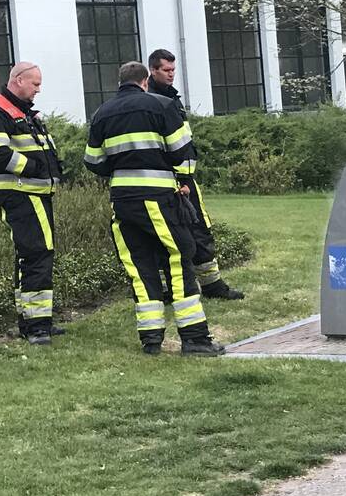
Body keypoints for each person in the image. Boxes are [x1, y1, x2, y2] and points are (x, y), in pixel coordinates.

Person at [84, 60, 225, 356]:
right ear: (145, 81)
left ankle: (151, 340)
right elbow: (180, 151)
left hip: (122, 202)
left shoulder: (101, 114)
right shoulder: (162, 106)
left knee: (140, 266)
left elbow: (93, 162)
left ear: (120, 82)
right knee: (178, 256)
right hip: (158, 198)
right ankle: (195, 338)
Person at [146, 48, 244, 300]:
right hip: (168, 182)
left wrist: (187, 177)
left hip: (187, 178)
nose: (171, 75)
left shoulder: (172, 99)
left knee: (201, 229)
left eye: (173, 70)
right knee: (167, 237)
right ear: (152, 70)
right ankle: (168, 289)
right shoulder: (151, 103)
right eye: (166, 70)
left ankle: (212, 284)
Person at [0, 62, 63, 346]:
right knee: (37, 254)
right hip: (22, 193)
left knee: (33, 255)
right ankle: (37, 327)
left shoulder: (25, 112)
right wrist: (35, 168)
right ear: (17, 80)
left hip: (37, 194)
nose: (38, 89)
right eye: (35, 84)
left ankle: (35, 322)